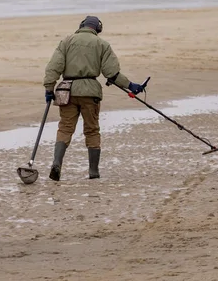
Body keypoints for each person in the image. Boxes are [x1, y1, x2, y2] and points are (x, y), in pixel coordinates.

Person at [43, 15, 145, 181]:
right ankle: (93, 171)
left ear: (82, 25)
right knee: (92, 130)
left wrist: (49, 88)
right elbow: (112, 73)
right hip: (90, 92)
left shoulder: (66, 42)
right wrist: (131, 85)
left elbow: (53, 67)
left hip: (67, 92)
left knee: (65, 128)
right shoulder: (102, 45)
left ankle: (57, 163)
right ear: (97, 29)